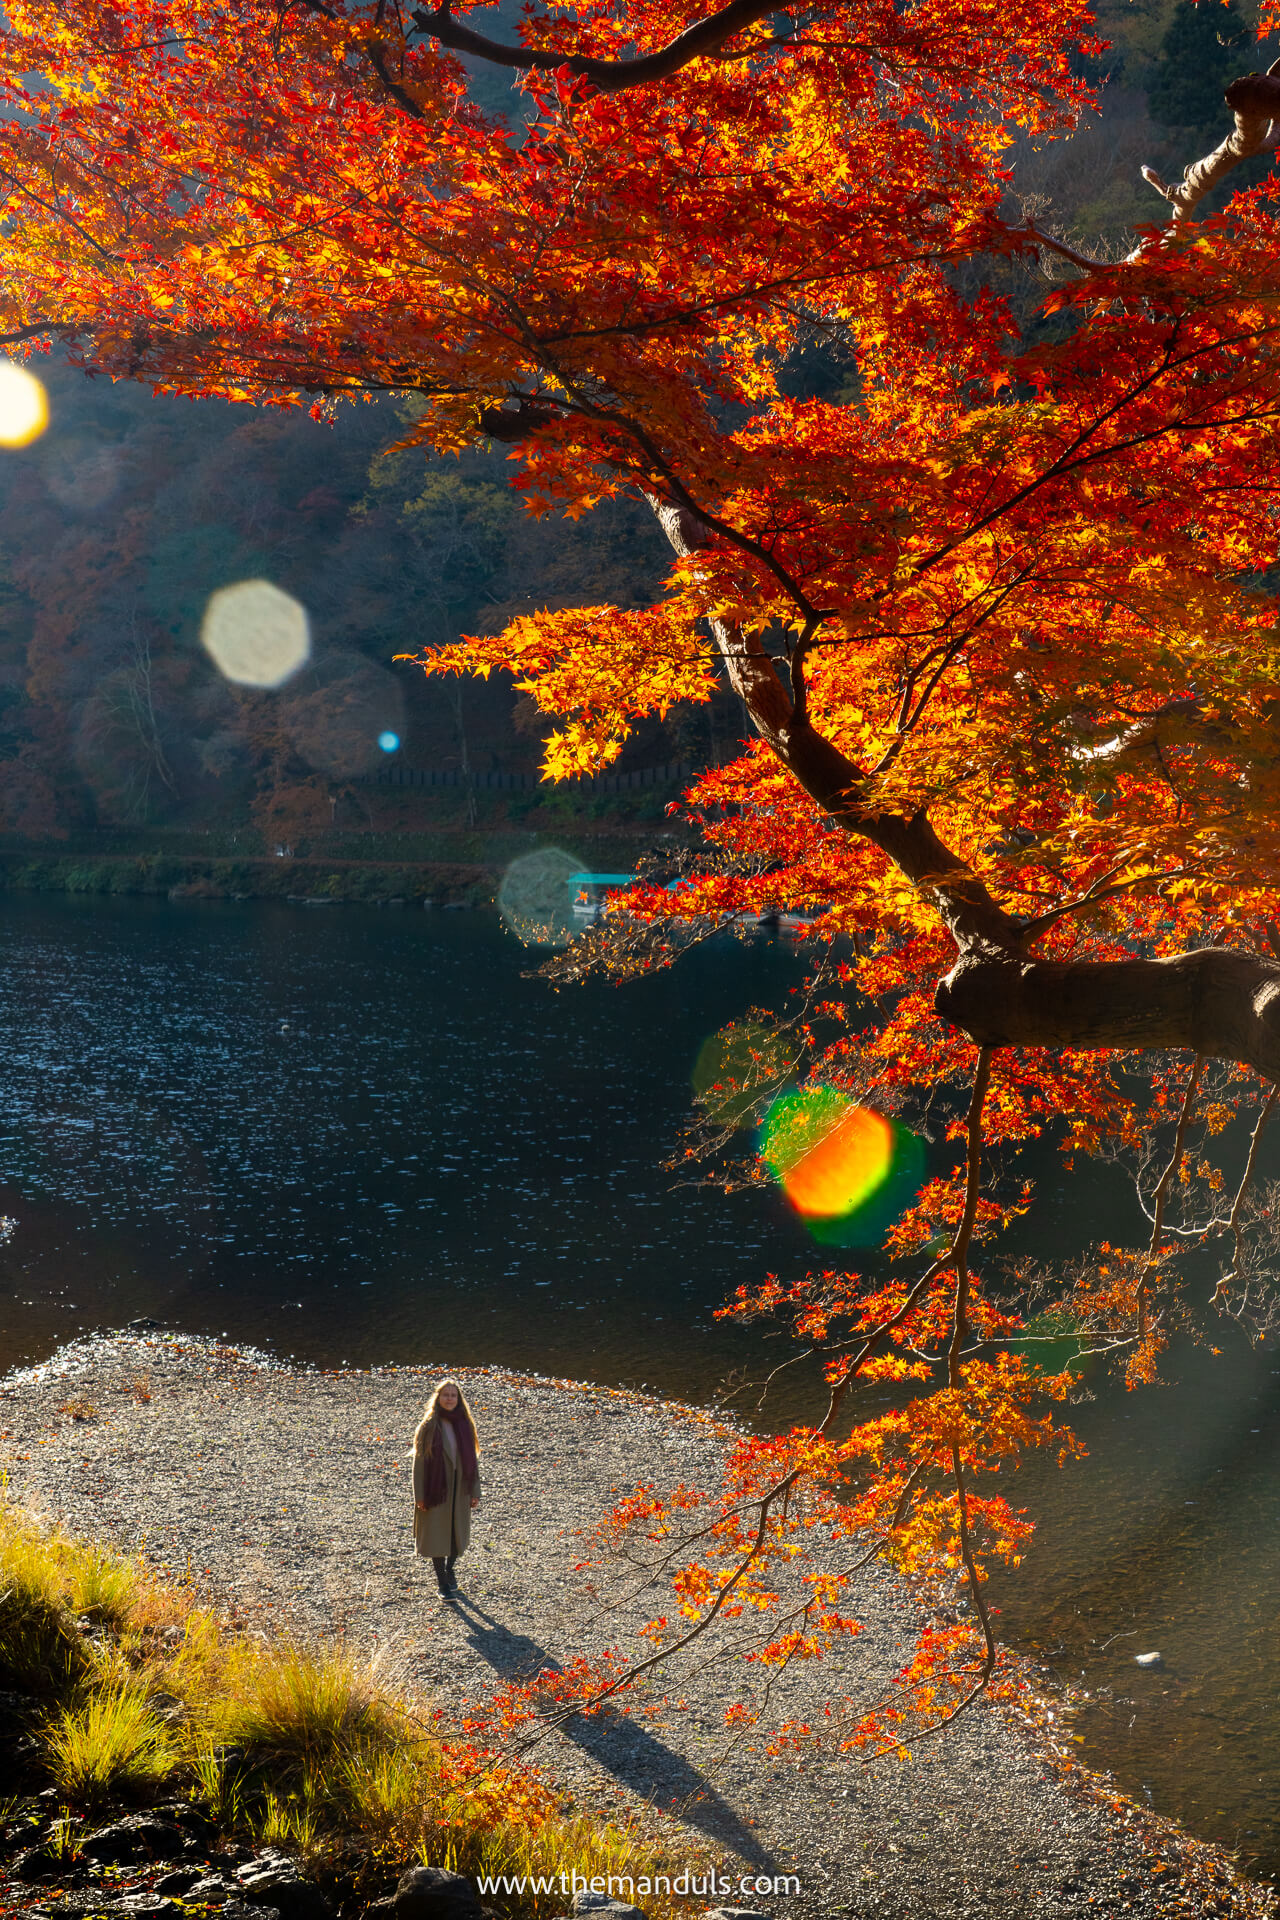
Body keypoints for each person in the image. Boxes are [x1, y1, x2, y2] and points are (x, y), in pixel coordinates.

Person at [412, 1377, 481, 1596]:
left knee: (455, 1534)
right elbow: (419, 1462)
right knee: (436, 1534)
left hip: (460, 1489)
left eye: (453, 1395)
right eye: (445, 1395)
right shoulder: (429, 1425)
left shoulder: (465, 1423)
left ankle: (450, 1570)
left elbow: (472, 1461)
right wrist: (419, 1496)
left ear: (458, 1399)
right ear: (438, 1398)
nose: (449, 1399)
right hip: (436, 1490)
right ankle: (442, 1582)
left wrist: (475, 1491)